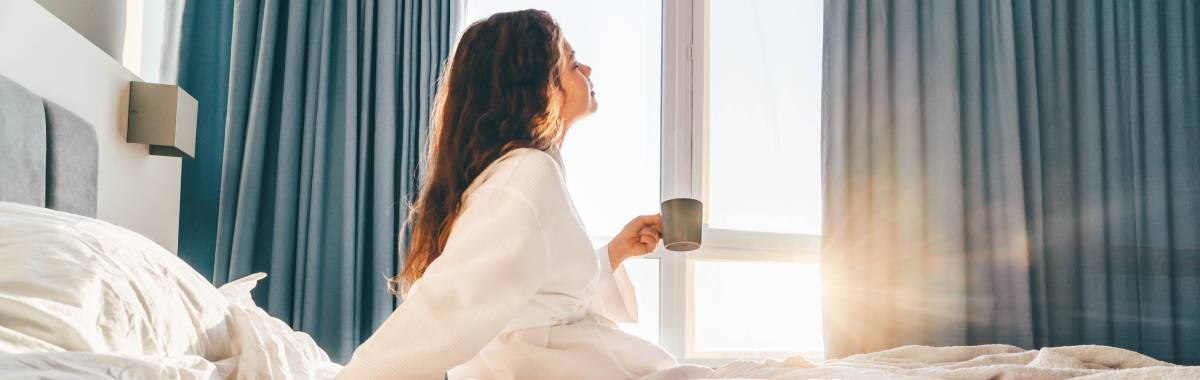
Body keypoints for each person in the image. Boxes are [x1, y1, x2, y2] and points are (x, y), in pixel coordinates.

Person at [338, 9, 713, 380]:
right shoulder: (526, 176)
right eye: (573, 62)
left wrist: (615, 252)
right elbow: (445, 312)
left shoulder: (520, 175)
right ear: (539, 87)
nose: (588, 71)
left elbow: (539, 306)